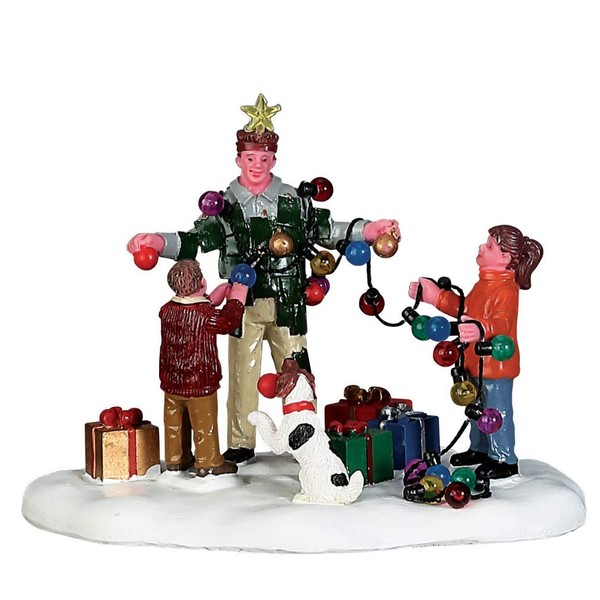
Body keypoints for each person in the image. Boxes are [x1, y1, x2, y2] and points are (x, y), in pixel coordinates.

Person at [128, 94, 400, 464]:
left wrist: (369, 230)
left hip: (289, 301)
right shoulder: (225, 205)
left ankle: (305, 436)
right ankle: (241, 441)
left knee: (297, 371)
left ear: (274, 159)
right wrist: (158, 243)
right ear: (238, 159)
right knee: (242, 374)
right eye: (250, 158)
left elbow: (327, 230)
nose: (257, 165)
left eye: (264, 158)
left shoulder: (293, 200)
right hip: (243, 304)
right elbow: (196, 240)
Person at [409, 225, 543, 479]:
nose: (482, 247)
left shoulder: (506, 290)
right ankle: (480, 448)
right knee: (476, 407)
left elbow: (502, 322)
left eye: (490, 246)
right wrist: (435, 296)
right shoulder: (484, 284)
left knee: (495, 412)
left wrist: (481, 329)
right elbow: (464, 308)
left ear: (505, 257)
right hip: (474, 360)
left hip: (494, 365)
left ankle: (504, 457)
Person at [159, 259, 249, 476]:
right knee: (204, 424)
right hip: (199, 381)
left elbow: (193, 305)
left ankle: (176, 459)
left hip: (172, 381)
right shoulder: (205, 315)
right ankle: (209, 462)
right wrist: (237, 297)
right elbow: (228, 321)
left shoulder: (167, 310)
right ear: (202, 282)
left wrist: (210, 299)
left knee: (174, 424)